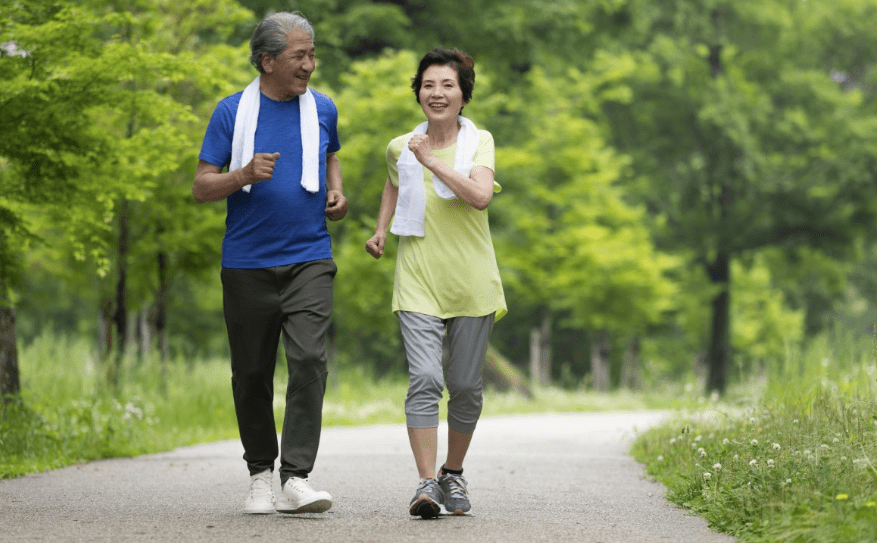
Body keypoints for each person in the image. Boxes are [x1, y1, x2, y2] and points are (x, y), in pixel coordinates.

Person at [192, 12, 346, 516]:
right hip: (246, 264)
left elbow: (330, 155)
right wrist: (243, 174)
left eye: (311, 53)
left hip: (309, 257)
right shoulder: (231, 112)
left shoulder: (322, 108)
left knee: (308, 361)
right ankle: (260, 473)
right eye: (300, 56)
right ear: (268, 60)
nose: (310, 64)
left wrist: (337, 191)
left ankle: (296, 476)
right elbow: (201, 187)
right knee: (251, 372)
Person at [365, 47, 506, 519]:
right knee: (425, 378)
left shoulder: (479, 141)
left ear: (463, 94)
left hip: (472, 283)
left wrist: (432, 161)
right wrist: (382, 229)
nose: (437, 93)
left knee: (465, 386)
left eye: (448, 85)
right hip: (418, 279)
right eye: (428, 85)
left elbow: (480, 196)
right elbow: (393, 183)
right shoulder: (400, 146)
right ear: (418, 93)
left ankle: (453, 473)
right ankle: (426, 484)